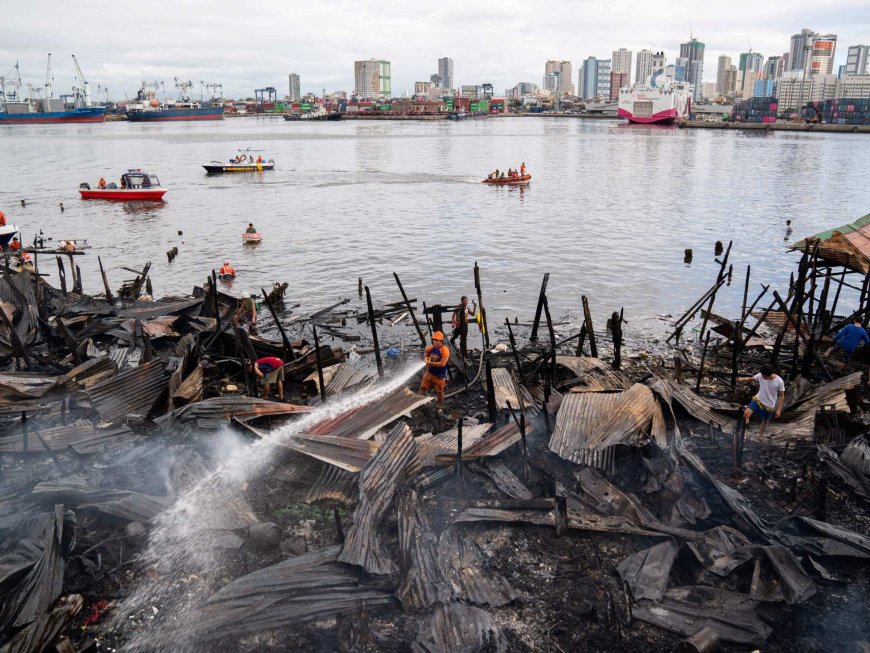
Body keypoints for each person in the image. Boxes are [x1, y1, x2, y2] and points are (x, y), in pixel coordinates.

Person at [737, 365, 785, 438]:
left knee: (765, 421)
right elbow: (751, 379)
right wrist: (741, 379)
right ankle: (746, 428)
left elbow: (781, 396)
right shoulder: (761, 375)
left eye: (764, 376)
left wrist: (779, 410)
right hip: (758, 399)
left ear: (768, 375)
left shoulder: (779, 381)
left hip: (769, 405)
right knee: (746, 413)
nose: (762, 377)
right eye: (761, 375)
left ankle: (760, 435)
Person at [418, 331, 450, 412]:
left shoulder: (444, 350)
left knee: (439, 392)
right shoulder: (430, 348)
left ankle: (439, 407)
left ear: (441, 341)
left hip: (439, 376)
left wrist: (430, 363)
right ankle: (418, 403)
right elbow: (426, 357)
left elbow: (442, 364)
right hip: (430, 373)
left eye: (436, 340)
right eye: (434, 340)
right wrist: (427, 362)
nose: (434, 342)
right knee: (422, 387)